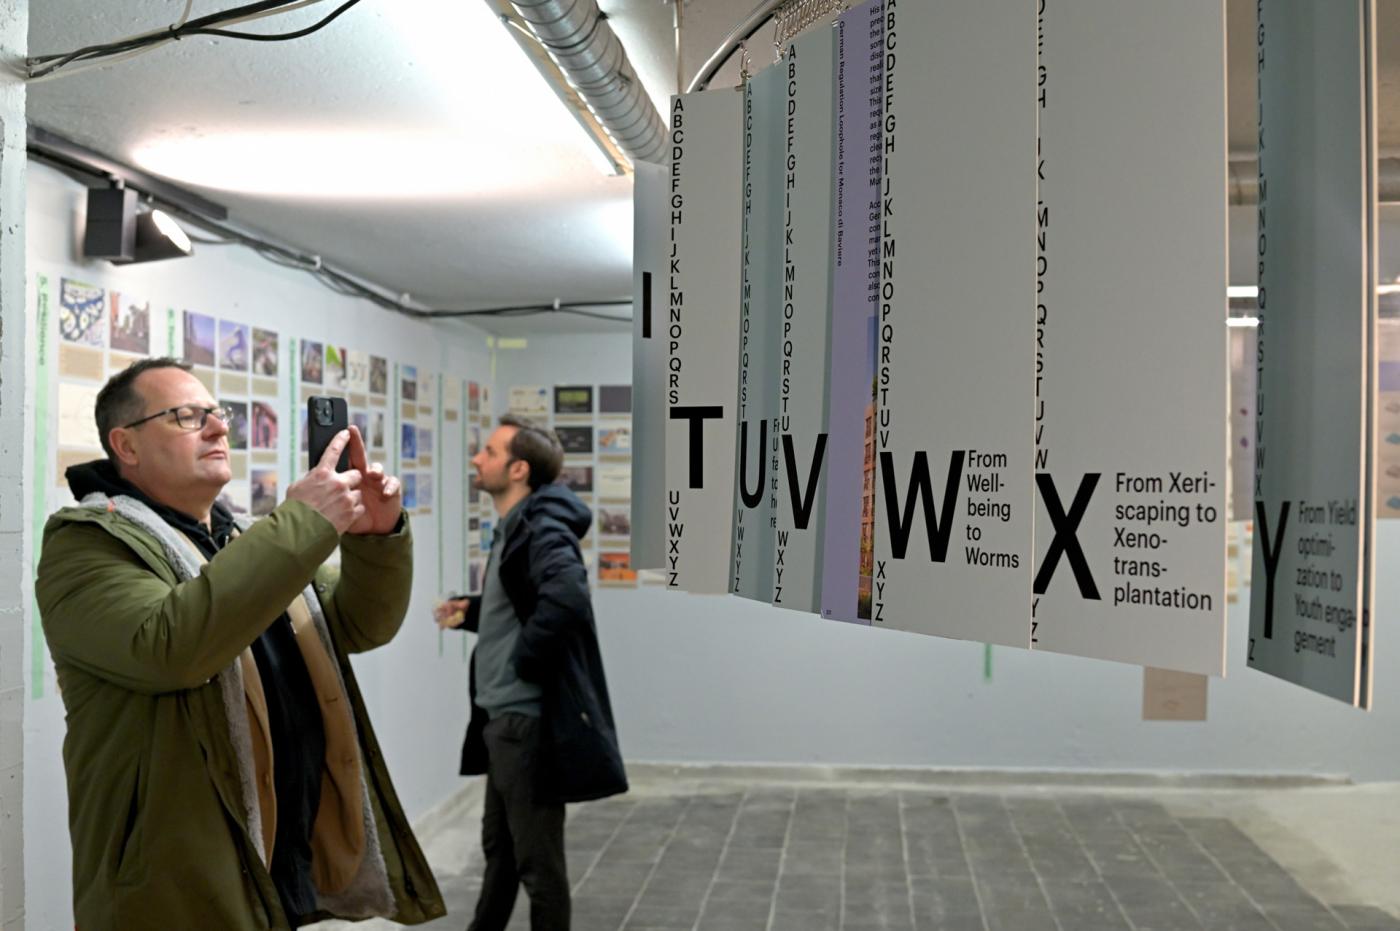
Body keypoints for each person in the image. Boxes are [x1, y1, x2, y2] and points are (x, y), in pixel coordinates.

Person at [35, 357, 445, 930]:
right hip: (178, 880)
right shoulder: (86, 544)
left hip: (281, 856)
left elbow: (355, 625)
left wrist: (375, 541)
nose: (218, 428)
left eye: (216, 414)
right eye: (185, 416)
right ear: (125, 445)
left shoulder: (240, 538)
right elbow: (171, 647)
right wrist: (302, 521)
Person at [436, 415, 627, 931]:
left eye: (490, 452)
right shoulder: (516, 528)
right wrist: (471, 612)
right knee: (500, 852)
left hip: (523, 720)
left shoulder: (540, 527)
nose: (478, 458)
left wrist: (523, 664)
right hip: (504, 718)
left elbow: (565, 600)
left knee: (538, 866)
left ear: (518, 469)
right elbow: (526, 604)